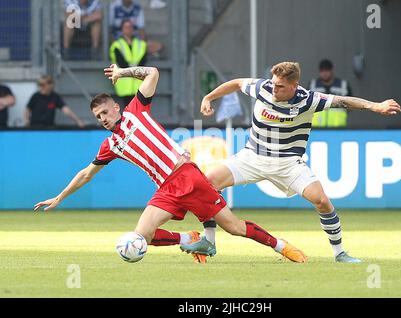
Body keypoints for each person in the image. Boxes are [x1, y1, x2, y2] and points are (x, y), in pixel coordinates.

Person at [33, 64, 308, 265]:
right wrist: (59, 197)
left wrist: (123, 72)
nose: (103, 118)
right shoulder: (110, 145)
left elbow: (153, 72)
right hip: (165, 188)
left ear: (116, 107)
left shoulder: (136, 111)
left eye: (105, 111)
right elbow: (86, 174)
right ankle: (188, 239)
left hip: (187, 176)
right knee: (143, 236)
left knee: (234, 228)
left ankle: (281, 247)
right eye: (98, 116)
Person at [182, 61, 401, 263]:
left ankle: (340, 253)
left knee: (322, 201)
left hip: (287, 163)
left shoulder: (308, 100)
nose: (274, 89)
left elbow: (343, 101)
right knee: (207, 183)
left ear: (294, 86)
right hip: (252, 156)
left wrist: (375, 106)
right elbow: (238, 83)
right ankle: (208, 240)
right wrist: (209, 97)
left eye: (280, 87)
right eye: (274, 84)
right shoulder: (263, 88)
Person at [110, 19, 147, 109]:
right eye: (126, 27)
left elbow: (143, 61)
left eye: (130, 27)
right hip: (125, 85)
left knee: (140, 111)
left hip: (139, 84)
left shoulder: (141, 44)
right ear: (122, 29)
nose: (128, 29)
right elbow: (122, 64)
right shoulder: (116, 45)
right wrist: (135, 68)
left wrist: (131, 67)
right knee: (128, 110)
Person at [309, 59, 352, 127]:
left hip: (338, 127)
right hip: (317, 127)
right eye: (322, 71)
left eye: (327, 70)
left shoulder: (343, 85)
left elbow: (351, 104)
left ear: (332, 70)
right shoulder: (313, 85)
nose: (324, 73)